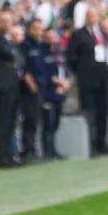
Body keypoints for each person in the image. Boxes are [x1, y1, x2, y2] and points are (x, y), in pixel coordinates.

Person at [67, 8, 108, 156]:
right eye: (90, 16)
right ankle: (90, 144)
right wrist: (81, 71)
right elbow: (71, 57)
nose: (92, 18)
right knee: (88, 112)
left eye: (95, 15)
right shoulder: (78, 34)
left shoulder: (102, 34)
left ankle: (102, 142)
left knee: (102, 112)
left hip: (102, 79)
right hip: (87, 79)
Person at [0, 11, 22, 168]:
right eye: (4, 21)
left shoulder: (8, 40)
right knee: (3, 121)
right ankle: (2, 157)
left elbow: (19, 60)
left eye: (9, 21)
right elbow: (9, 55)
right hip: (4, 86)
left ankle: (9, 154)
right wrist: (14, 49)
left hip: (14, 86)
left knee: (11, 122)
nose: (6, 24)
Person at [38, 27, 70, 159]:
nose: (52, 39)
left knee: (56, 122)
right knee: (48, 123)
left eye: (53, 36)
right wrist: (58, 82)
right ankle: (47, 151)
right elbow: (43, 72)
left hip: (60, 92)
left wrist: (66, 83)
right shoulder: (42, 52)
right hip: (49, 92)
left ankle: (53, 150)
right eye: (49, 37)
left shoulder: (60, 51)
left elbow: (65, 69)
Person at [18, 19, 46, 161]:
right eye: (35, 28)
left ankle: (33, 149)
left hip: (40, 88)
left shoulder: (40, 45)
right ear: (28, 29)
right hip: (29, 90)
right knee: (29, 120)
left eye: (40, 29)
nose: (38, 31)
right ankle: (26, 150)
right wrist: (32, 87)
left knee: (35, 121)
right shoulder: (25, 45)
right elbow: (24, 69)